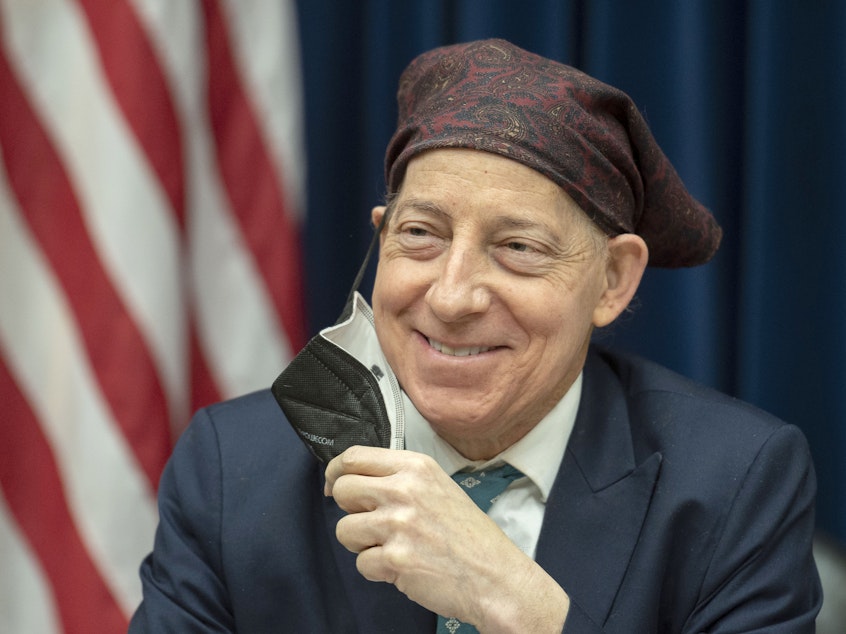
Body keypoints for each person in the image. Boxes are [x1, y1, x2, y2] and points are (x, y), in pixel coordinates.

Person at [130, 39, 821, 633]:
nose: (453, 297)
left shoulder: (735, 485)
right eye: (421, 235)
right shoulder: (233, 470)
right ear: (381, 237)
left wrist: (517, 605)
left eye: (518, 247)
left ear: (613, 279)